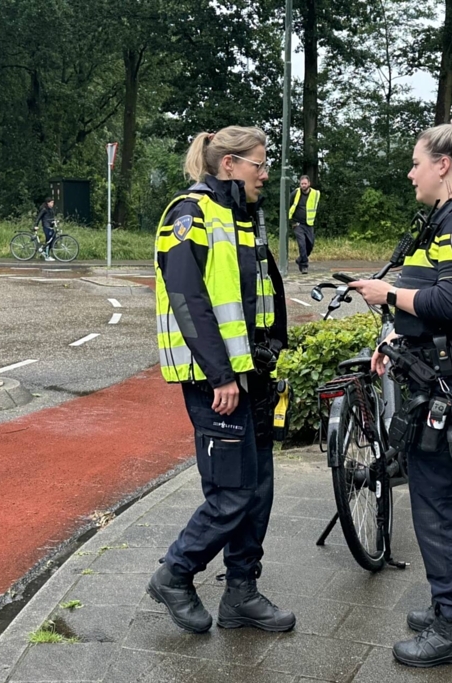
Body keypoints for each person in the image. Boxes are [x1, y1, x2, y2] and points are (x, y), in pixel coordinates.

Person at [349, 115, 452, 669]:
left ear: (444, 165)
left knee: (438, 502)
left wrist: (385, 293)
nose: (410, 172)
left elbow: (450, 304)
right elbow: (435, 300)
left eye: (417, 162)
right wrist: (397, 335)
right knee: (441, 495)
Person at [149, 126, 293, 635]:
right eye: (259, 163)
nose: (266, 173)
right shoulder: (188, 214)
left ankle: (241, 594)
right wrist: (221, 376)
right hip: (219, 383)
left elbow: (258, 293)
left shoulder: (240, 215)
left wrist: (276, 351)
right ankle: (175, 573)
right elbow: (189, 300)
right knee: (232, 493)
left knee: (257, 491)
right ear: (228, 164)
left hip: (253, 376)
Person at [288, 175, 320, 274]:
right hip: (297, 223)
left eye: (305, 184)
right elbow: (288, 204)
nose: (303, 185)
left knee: (310, 245)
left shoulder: (315, 194)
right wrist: (292, 221)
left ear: (309, 184)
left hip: (309, 223)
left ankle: (300, 259)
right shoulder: (295, 193)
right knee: (302, 244)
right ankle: (304, 266)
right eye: (302, 184)